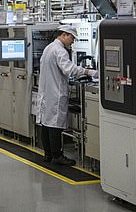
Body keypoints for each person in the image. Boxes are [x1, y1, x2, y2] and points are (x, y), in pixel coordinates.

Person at [36, 25, 98, 166]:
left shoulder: (49, 48)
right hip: (55, 93)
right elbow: (69, 69)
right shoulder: (59, 50)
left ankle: (48, 154)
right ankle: (57, 155)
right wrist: (89, 72)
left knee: (46, 123)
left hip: (47, 92)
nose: (73, 41)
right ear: (64, 35)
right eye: (72, 38)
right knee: (55, 124)